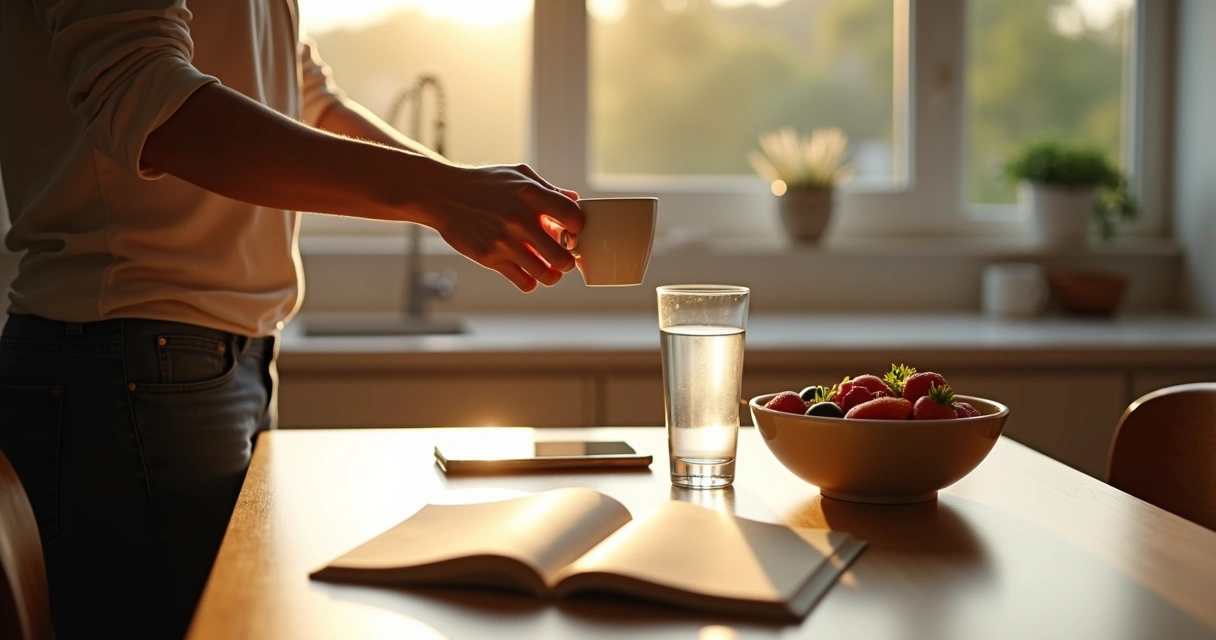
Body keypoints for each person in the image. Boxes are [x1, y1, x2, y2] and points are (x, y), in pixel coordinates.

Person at [0, 1, 584, 638]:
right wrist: (444, 194)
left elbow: (302, 93)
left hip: (202, 360)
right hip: (130, 356)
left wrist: (456, 189)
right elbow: (155, 103)